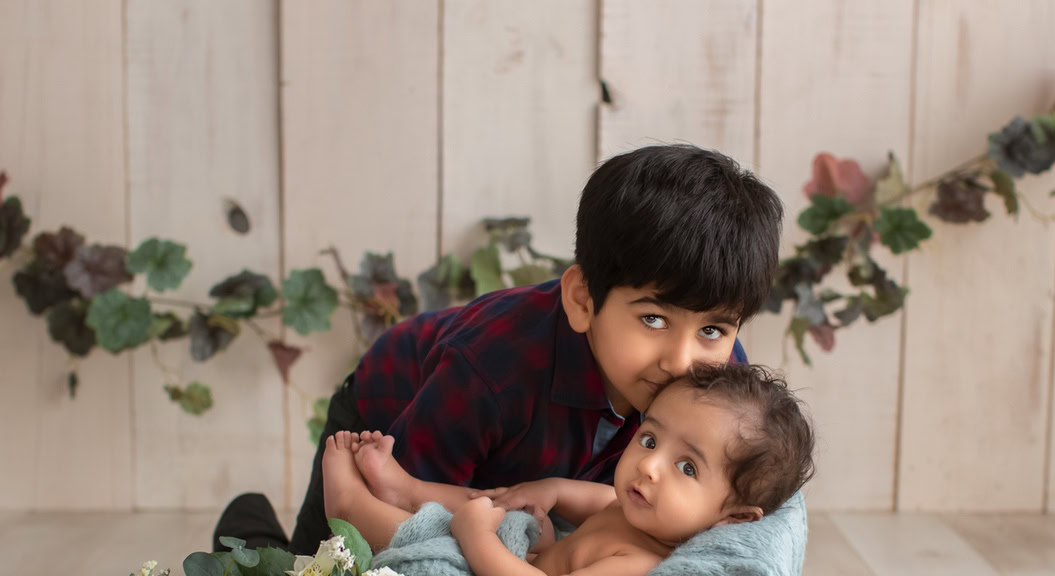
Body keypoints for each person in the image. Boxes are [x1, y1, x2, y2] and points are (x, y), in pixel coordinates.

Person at [213, 144, 784, 554]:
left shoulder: (715, 387)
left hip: (527, 476)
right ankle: (244, 527)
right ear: (584, 299)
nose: (683, 361)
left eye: (712, 329)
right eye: (654, 318)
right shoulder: (489, 368)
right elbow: (405, 515)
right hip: (392, 422)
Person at [320, 363, 814, 576]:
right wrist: (548, 490)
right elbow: (588, 498)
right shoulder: (640, 511)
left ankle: (352, 509)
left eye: (687, 467)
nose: (648, 465)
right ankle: (405, 488)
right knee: (504, 500)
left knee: (445, 545)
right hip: (524, 545)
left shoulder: (637, 562)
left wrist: (475, 539)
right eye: (649, 439)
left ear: (732, 519)